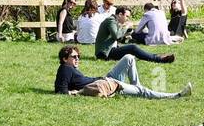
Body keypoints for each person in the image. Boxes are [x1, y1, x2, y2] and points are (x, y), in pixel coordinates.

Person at [54, 45, 191, 99]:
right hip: (108, 85)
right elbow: (61, 90)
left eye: (78, 56)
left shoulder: (70, 68)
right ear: (65, 59)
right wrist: (75, 93)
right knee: (143, 91)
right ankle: (175, 95)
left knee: (129, 57)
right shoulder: (65, 69)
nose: (77, 59)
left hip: (106, 79)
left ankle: (137, 87)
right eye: (74, 57)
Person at [95, 6, 176, 64]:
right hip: (104, 53)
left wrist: (126, 34)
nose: (128, 19)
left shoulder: (114, 21)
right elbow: (116, 36)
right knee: (132, 48)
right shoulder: (111, 21)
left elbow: (116, 38)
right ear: (120, 14)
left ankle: (157, 56)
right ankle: (157, 59)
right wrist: (126, 26)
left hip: (109, 50)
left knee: (133, 52)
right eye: (126, 16)